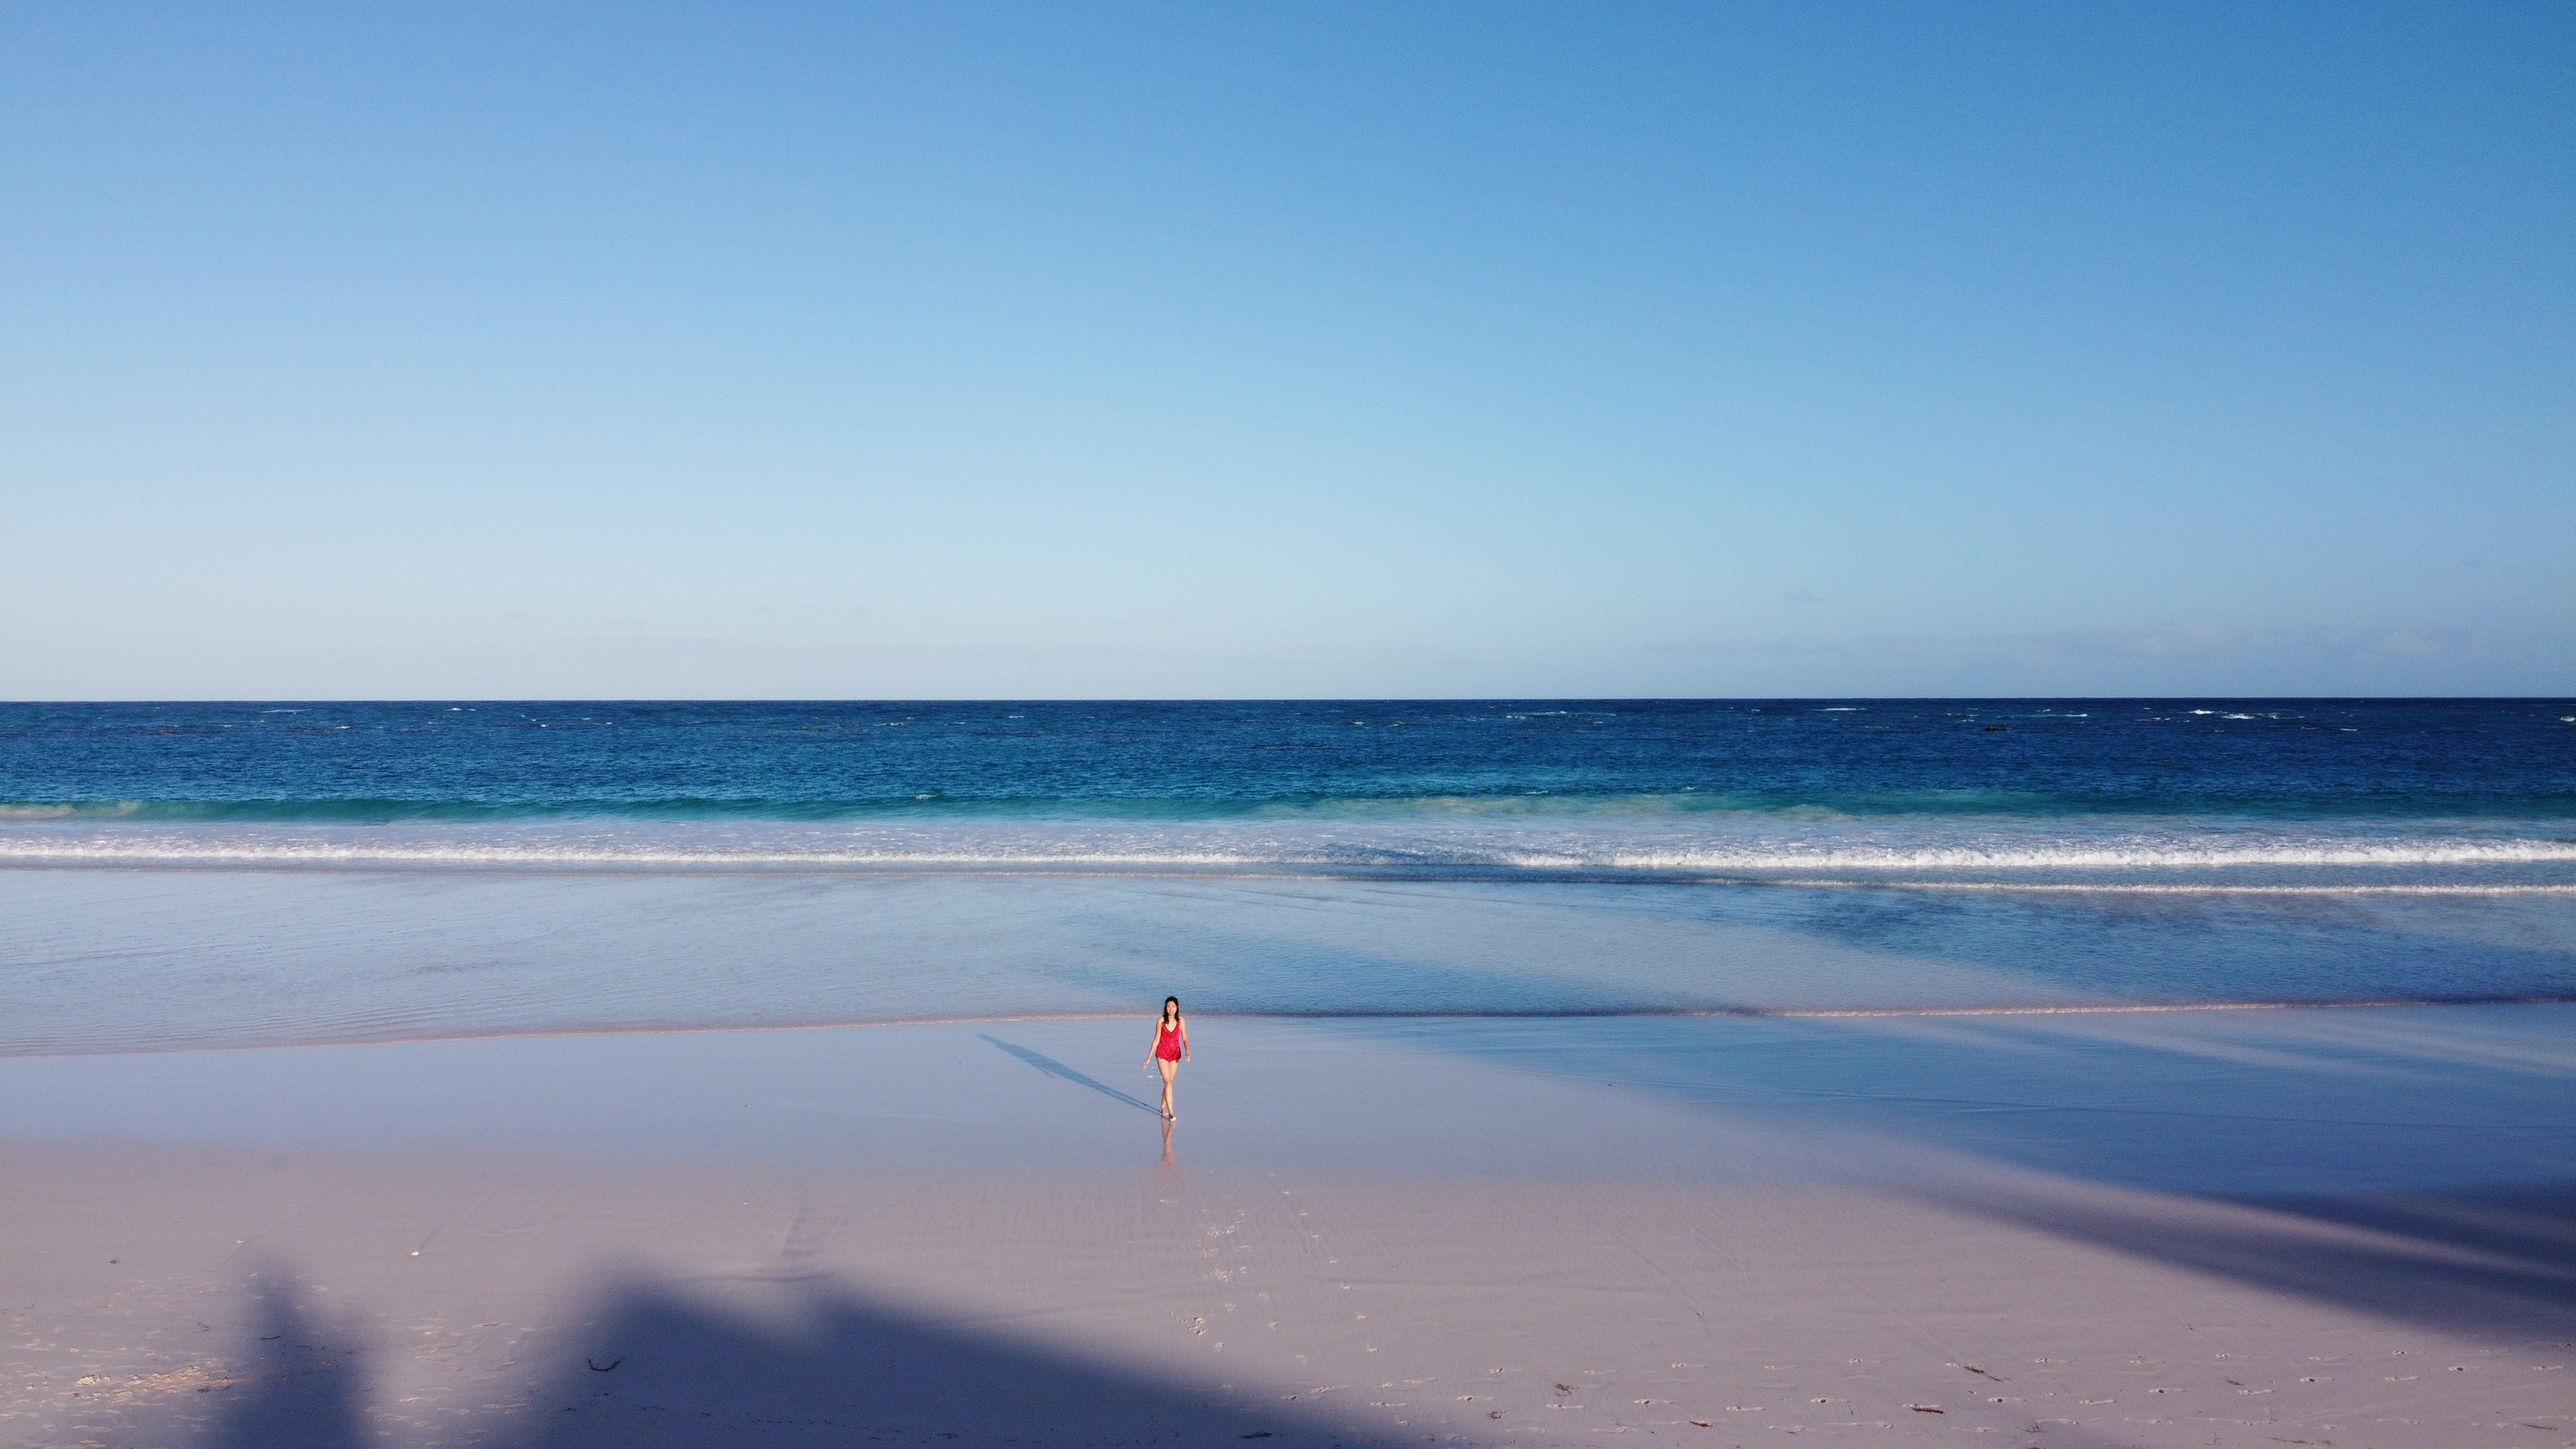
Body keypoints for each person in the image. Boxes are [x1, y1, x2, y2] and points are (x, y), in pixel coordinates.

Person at [1143, 995, 1190, 1121]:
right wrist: (1148, 1058)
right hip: (1162, 1054)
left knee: (1169, 1082)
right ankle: (1171, 1112)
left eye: (1173, 1006)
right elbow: (1156, 1040)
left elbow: (1185, 1038)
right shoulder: (1161, 1021)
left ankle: (1163, 1105)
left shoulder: (1181, 1022)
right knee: (1168, 1082)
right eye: (1168, 1006)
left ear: (1177, 1007)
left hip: (1175, 1054)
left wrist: (1187, 1052)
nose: (1171, 1009)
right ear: (1165, 1008)